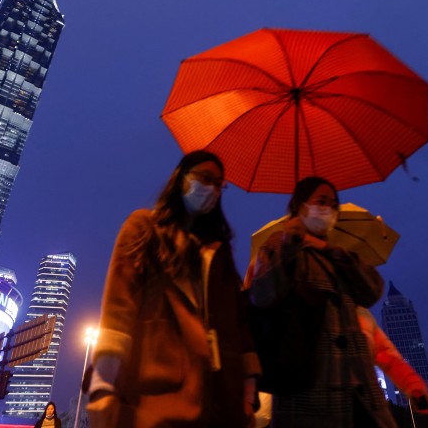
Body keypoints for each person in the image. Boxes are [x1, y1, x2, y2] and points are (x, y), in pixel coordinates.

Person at [86, 150, 260, 428]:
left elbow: (240, 326)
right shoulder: (144, 227)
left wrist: (248, 396)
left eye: (219, 184)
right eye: (205, 178)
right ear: (181, 179)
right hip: (155, 395)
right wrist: (103, 385)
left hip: (219, 399)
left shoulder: (219, 252)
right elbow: (119, 307)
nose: (213, 188)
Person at [248, 176, 395, 428]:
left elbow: (372, 290)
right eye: (321, 201)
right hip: (308, 388)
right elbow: (261, 295)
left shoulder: (336, 253)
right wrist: (288, 250)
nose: (328, 209)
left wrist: (331, 251)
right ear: (300, 205)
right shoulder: (278, 245)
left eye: (333, 204)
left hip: (358, 388)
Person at [356, 306, 428, 416]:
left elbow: (389, 357)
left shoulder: (362, 316)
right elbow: (389, 357)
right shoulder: (362, 316)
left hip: (364, 402)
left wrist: (415, 389)